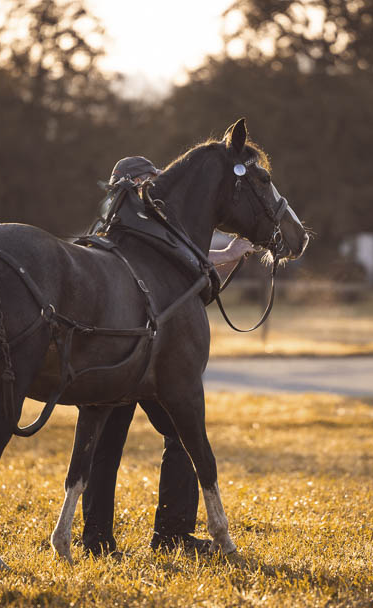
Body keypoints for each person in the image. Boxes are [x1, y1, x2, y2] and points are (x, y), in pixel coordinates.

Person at [81, 156, 254, 557]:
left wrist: (230, 257)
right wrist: (228, 252)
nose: (159, 187)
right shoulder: (145, 228)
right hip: (146, 355)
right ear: (139, 182)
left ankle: (97, 541)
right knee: (178, 434)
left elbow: (198, 285)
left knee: (106, 446)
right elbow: (186, 262)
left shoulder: (107, 227)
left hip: (127, 353)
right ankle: (171, 535)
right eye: (153, 180)